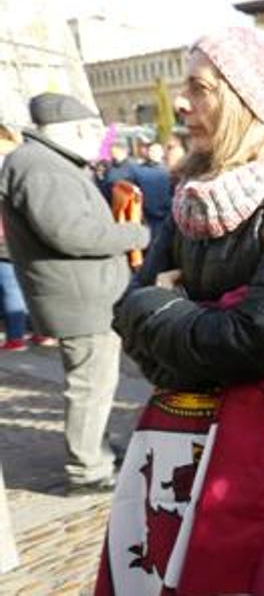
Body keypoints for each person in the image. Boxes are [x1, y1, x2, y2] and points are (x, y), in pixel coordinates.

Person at [113, 25, 264, 453]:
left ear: (250, 103)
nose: (180, 102)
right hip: (197, 430)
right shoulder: (192, 196)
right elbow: (126, 315)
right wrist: (183, 334)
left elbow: (256, 342)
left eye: (200, 87)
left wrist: (161, 307)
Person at [0, 93, 151, 492]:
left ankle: (93, 449)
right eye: (95, 132)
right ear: (79, 130)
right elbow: (69, 232)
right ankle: (88, 469)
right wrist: (135, 234)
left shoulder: (41, 162)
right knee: (91, 386)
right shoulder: (40, 167)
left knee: (94, 384)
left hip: (81, 295)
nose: (99, 141)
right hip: (79, 300)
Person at [0, 125, 28, 351]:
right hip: (24, 232)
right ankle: (40, 332)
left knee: (10, 286)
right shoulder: (25, 158)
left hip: (4, 235)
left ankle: (16, 337)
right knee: (28, 284)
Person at [130, 140, 174, 237]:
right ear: (147, 152)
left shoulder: (170, 172)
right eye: (151, 150)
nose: (153, 153)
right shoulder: (138, 170)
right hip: (145, 217)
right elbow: (130, 187)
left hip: (165, 217)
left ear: (162, 153)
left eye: (156, 151)